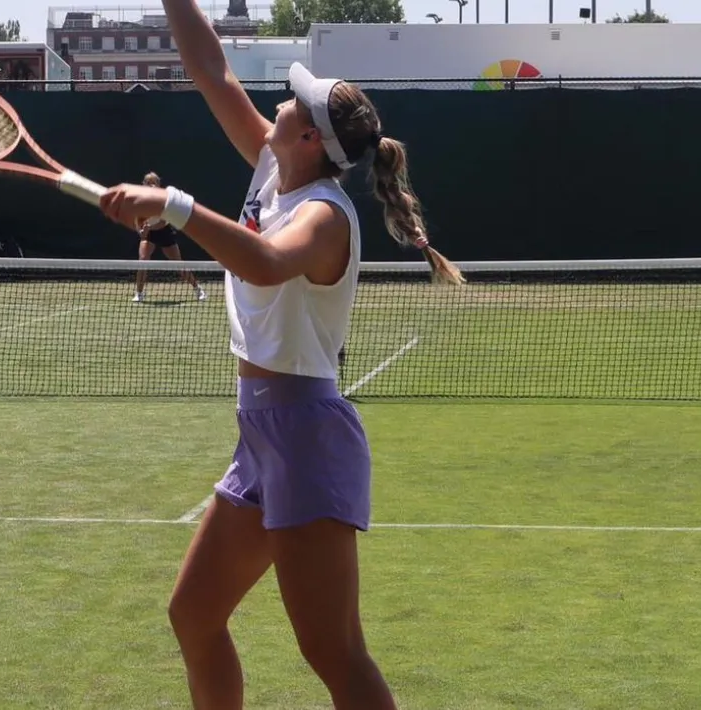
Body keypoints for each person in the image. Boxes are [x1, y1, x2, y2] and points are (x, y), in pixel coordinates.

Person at [96, 2, 464, 707]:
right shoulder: (276, 165)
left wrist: (172, 205)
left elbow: (266, 262)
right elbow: (211, 70)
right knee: (194, 614)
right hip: (261, 436)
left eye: (292, 99)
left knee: (333, 651)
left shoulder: (325, 215)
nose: (278, 99)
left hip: (306, 437)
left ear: (308, 136)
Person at [132, 172, 207, 303]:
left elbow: (163, 221)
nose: (151, 185)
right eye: (148, 182)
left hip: (164, 232)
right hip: (149, 233)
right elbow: (138, 220)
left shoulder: (164, 199)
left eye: (153, 182)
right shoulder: (140, 200)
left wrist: (148, 228)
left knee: (178, 264)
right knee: (142, 261)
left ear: (158, 184)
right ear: (143, 185)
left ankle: (198, 289)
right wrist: (141, 231)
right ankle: (139, 293)